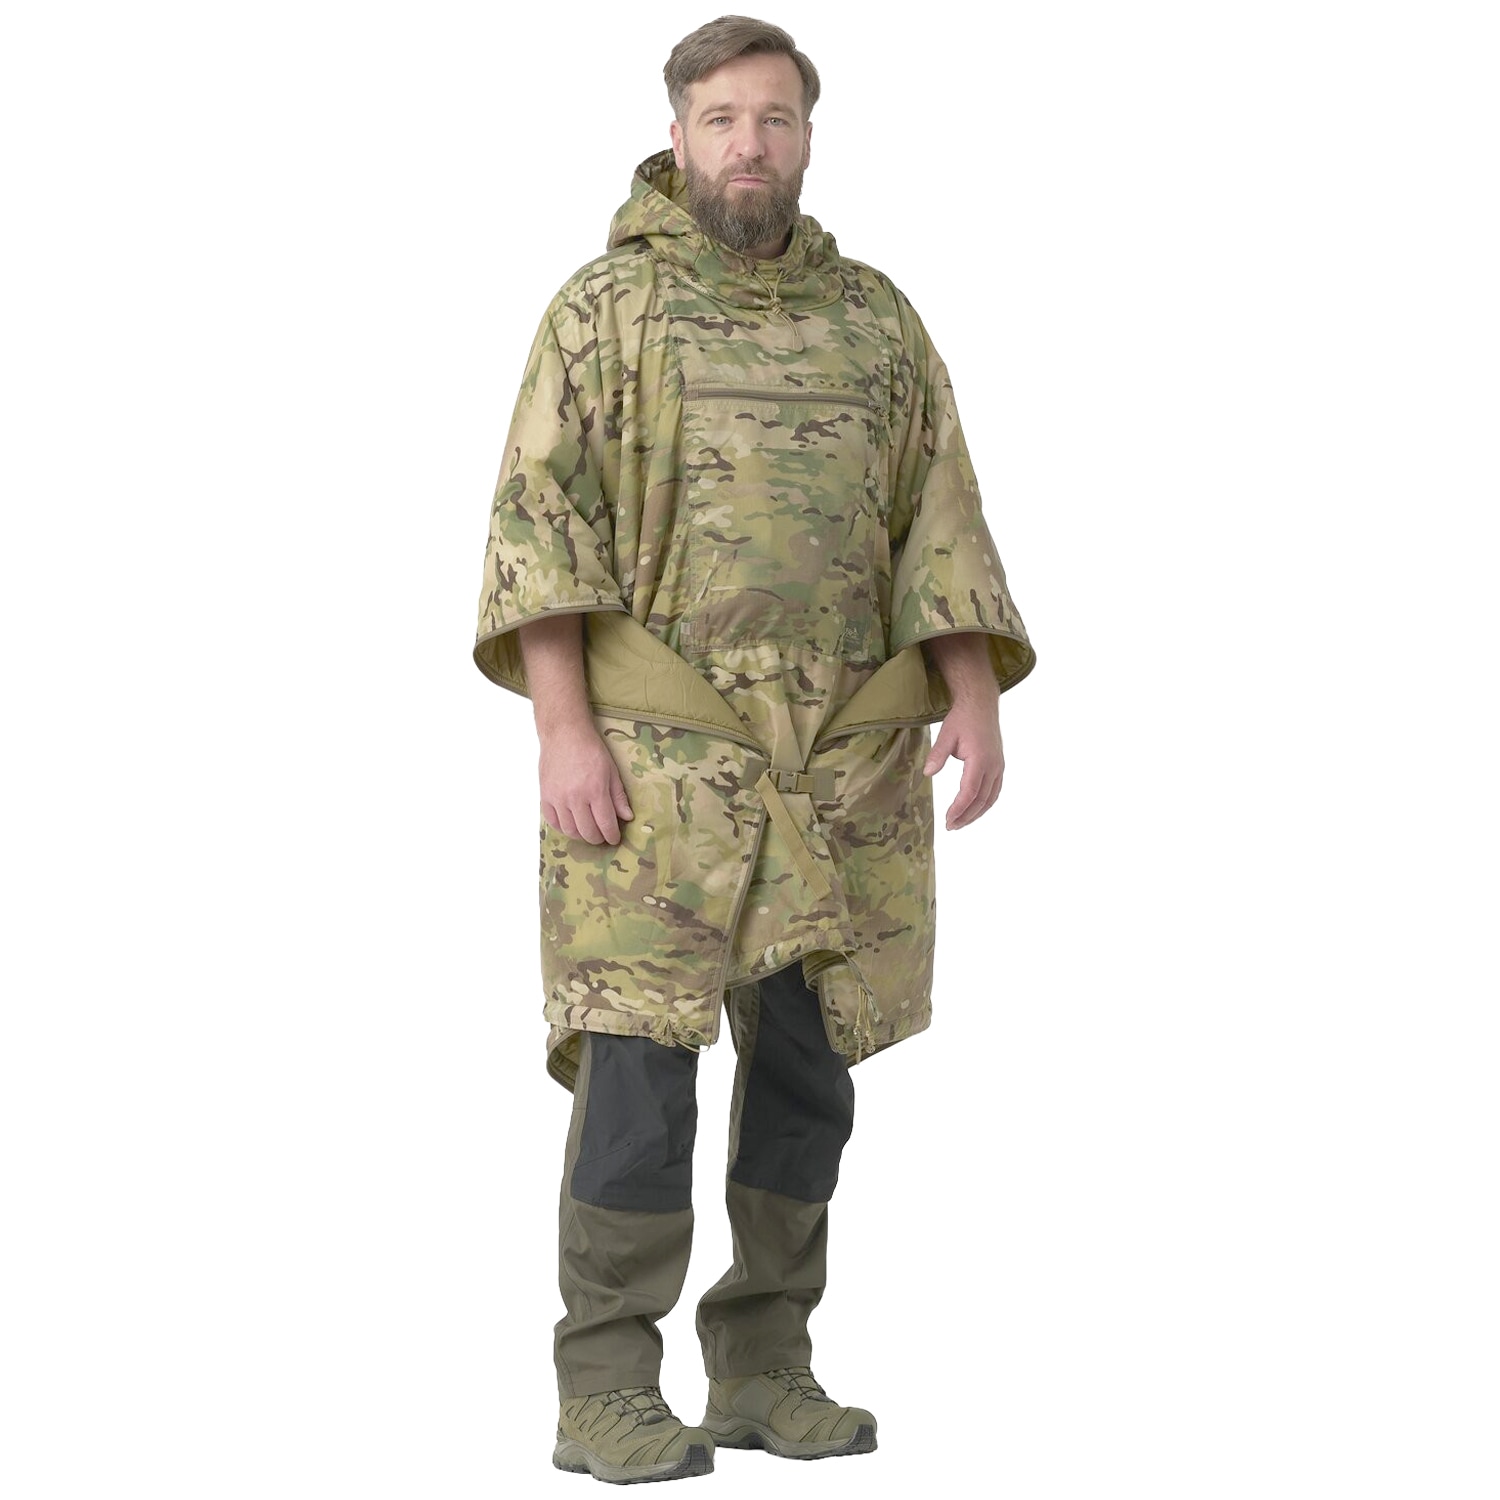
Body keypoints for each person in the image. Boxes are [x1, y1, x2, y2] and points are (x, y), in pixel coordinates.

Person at [472, 15, 1035, 1485]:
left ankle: (765, 1363)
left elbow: (938, 512)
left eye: (774, 119)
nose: (748, 145)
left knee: (806, 1067)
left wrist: (970, 691)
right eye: (721, 119)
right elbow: (541, 529)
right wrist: (563, 732)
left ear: (808, 139)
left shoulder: (874, 321)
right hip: (655, 761)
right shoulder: (605, 310)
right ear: (676, 135)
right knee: (637, 1068)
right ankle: (606, 1385)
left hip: (837, 765)